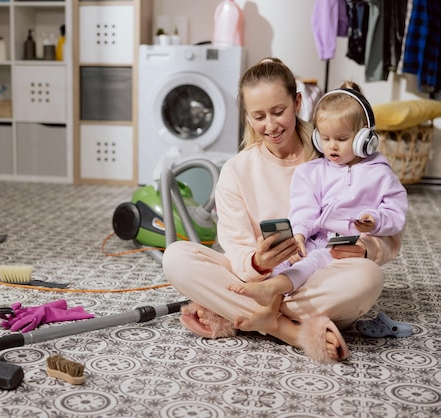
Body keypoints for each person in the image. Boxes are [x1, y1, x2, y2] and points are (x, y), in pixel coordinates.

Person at [162, 58, 403, 364]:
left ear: (297, 102)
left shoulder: (334, 150)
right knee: (177, 257)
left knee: (367, 277)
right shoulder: (237, 170)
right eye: (259, 116)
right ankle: (287, 329)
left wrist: (366, 249)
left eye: (279, 112)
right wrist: (257, 262)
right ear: (248, 118)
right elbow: (236, 249)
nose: (271, 126)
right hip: (259, 282)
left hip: (318, 277)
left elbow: (389, 235)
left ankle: (244, 311)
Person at [227, 82, 408, 333]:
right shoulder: (312, 171)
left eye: (342, 139)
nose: (331, 146)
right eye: (325, 138)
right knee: (283, 262)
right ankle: (272, 312)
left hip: (341, 248)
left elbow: (396, 213)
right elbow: (304, 209)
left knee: (346, 272)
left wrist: (375, 220)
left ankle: (267, 300)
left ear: (364, 139)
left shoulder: (380, 174)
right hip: (313, 240)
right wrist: (298, 234)